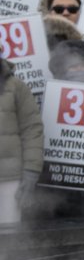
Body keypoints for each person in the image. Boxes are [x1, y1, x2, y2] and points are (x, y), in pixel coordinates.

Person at [0, 48, 43, 225]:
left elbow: (32, 130)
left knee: (9, 236)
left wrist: (31, 172)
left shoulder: (17, 87)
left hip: (9, 179)